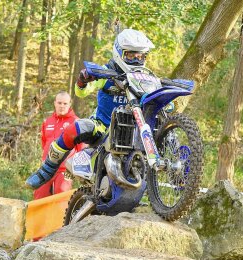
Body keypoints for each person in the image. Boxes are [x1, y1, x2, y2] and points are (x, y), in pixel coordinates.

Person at [26, 29, 155, 189]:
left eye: (141, 56)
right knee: (76, 128)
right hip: (103, 127)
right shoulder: (107, 72)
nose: (137, 60)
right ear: (119, 53)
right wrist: (83, 80)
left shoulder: (146, 77)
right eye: (131, 55)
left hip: (135, 132)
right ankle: (46, 170)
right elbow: (81, 92)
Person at [33, 91, 83, 199]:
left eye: (65, 103)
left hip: (65, 169)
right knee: (39, 193)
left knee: (61, 192)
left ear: (70, 104)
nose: (62, 106)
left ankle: (61, 216)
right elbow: (44, 143)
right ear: (55, 103)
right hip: (46, 167)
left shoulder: (76, 122)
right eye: (59, 103)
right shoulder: (48, 121)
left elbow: (81, 149)